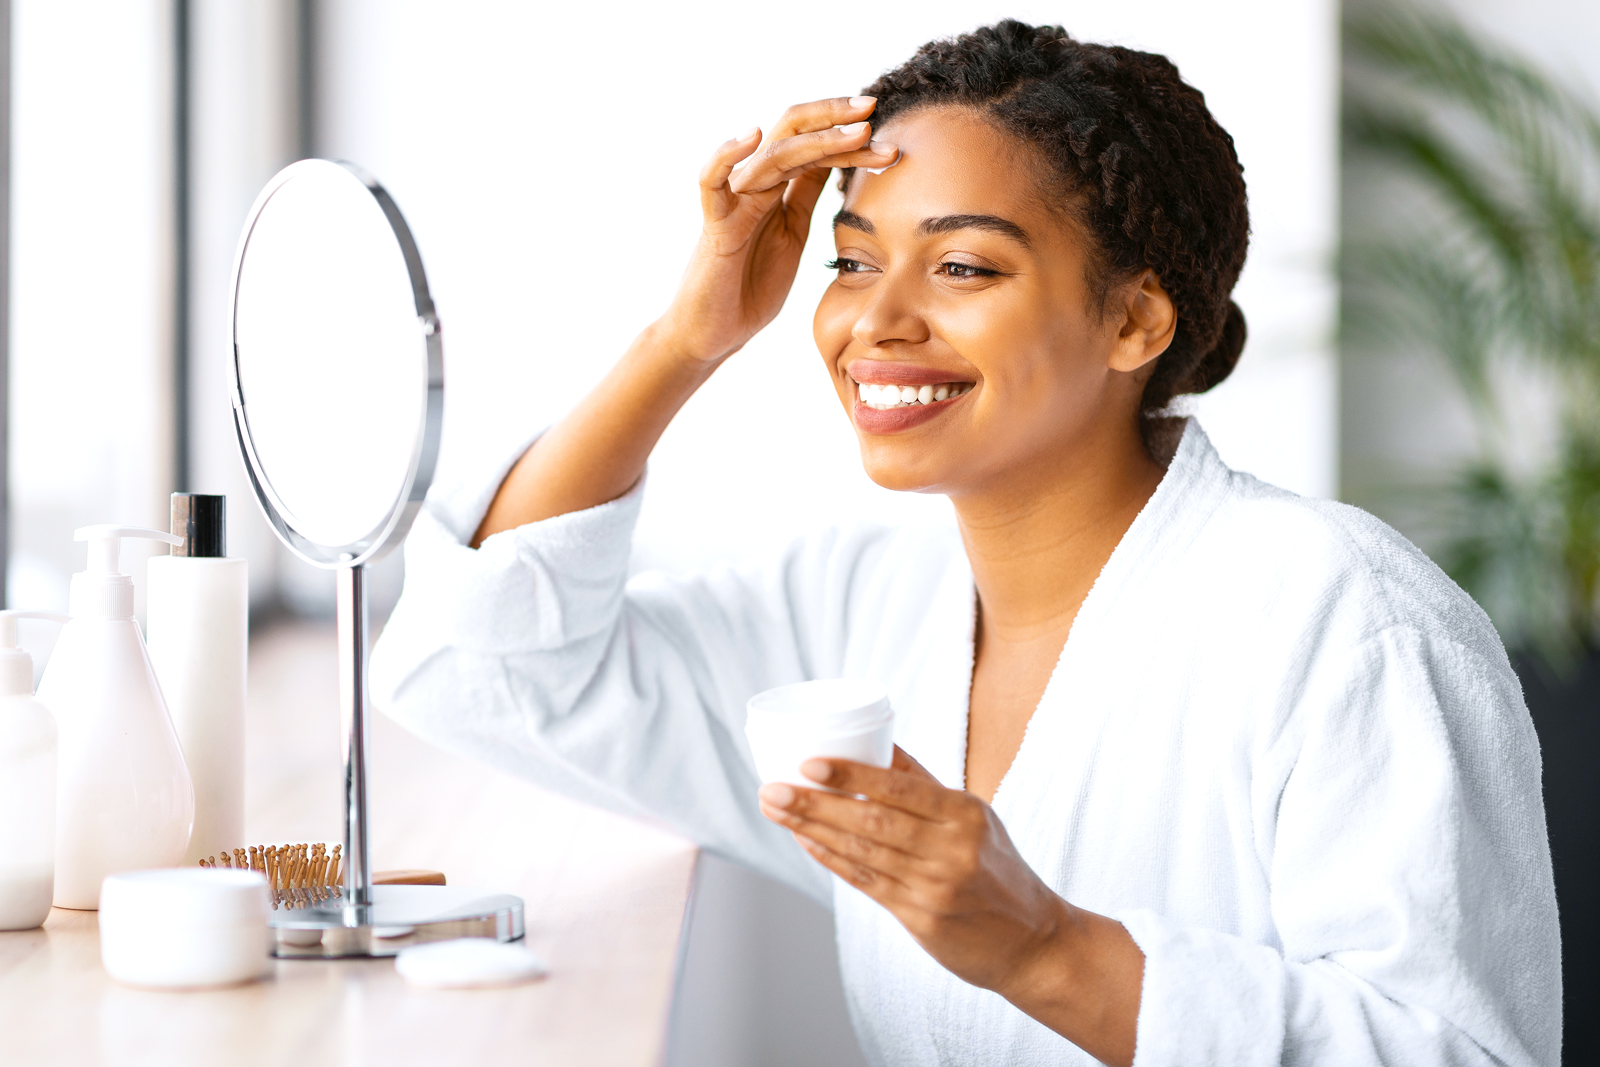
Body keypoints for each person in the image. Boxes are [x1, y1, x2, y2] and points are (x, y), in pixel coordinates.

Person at [370, 20, 1560, 1067]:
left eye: (961, 265)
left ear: (1135, 317)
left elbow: (1455, 1048)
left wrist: (1049, 949)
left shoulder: (1346, 622)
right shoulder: (863, 606)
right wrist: (690, 335)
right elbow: (494, 669)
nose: (874, 322)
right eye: (849, 261)